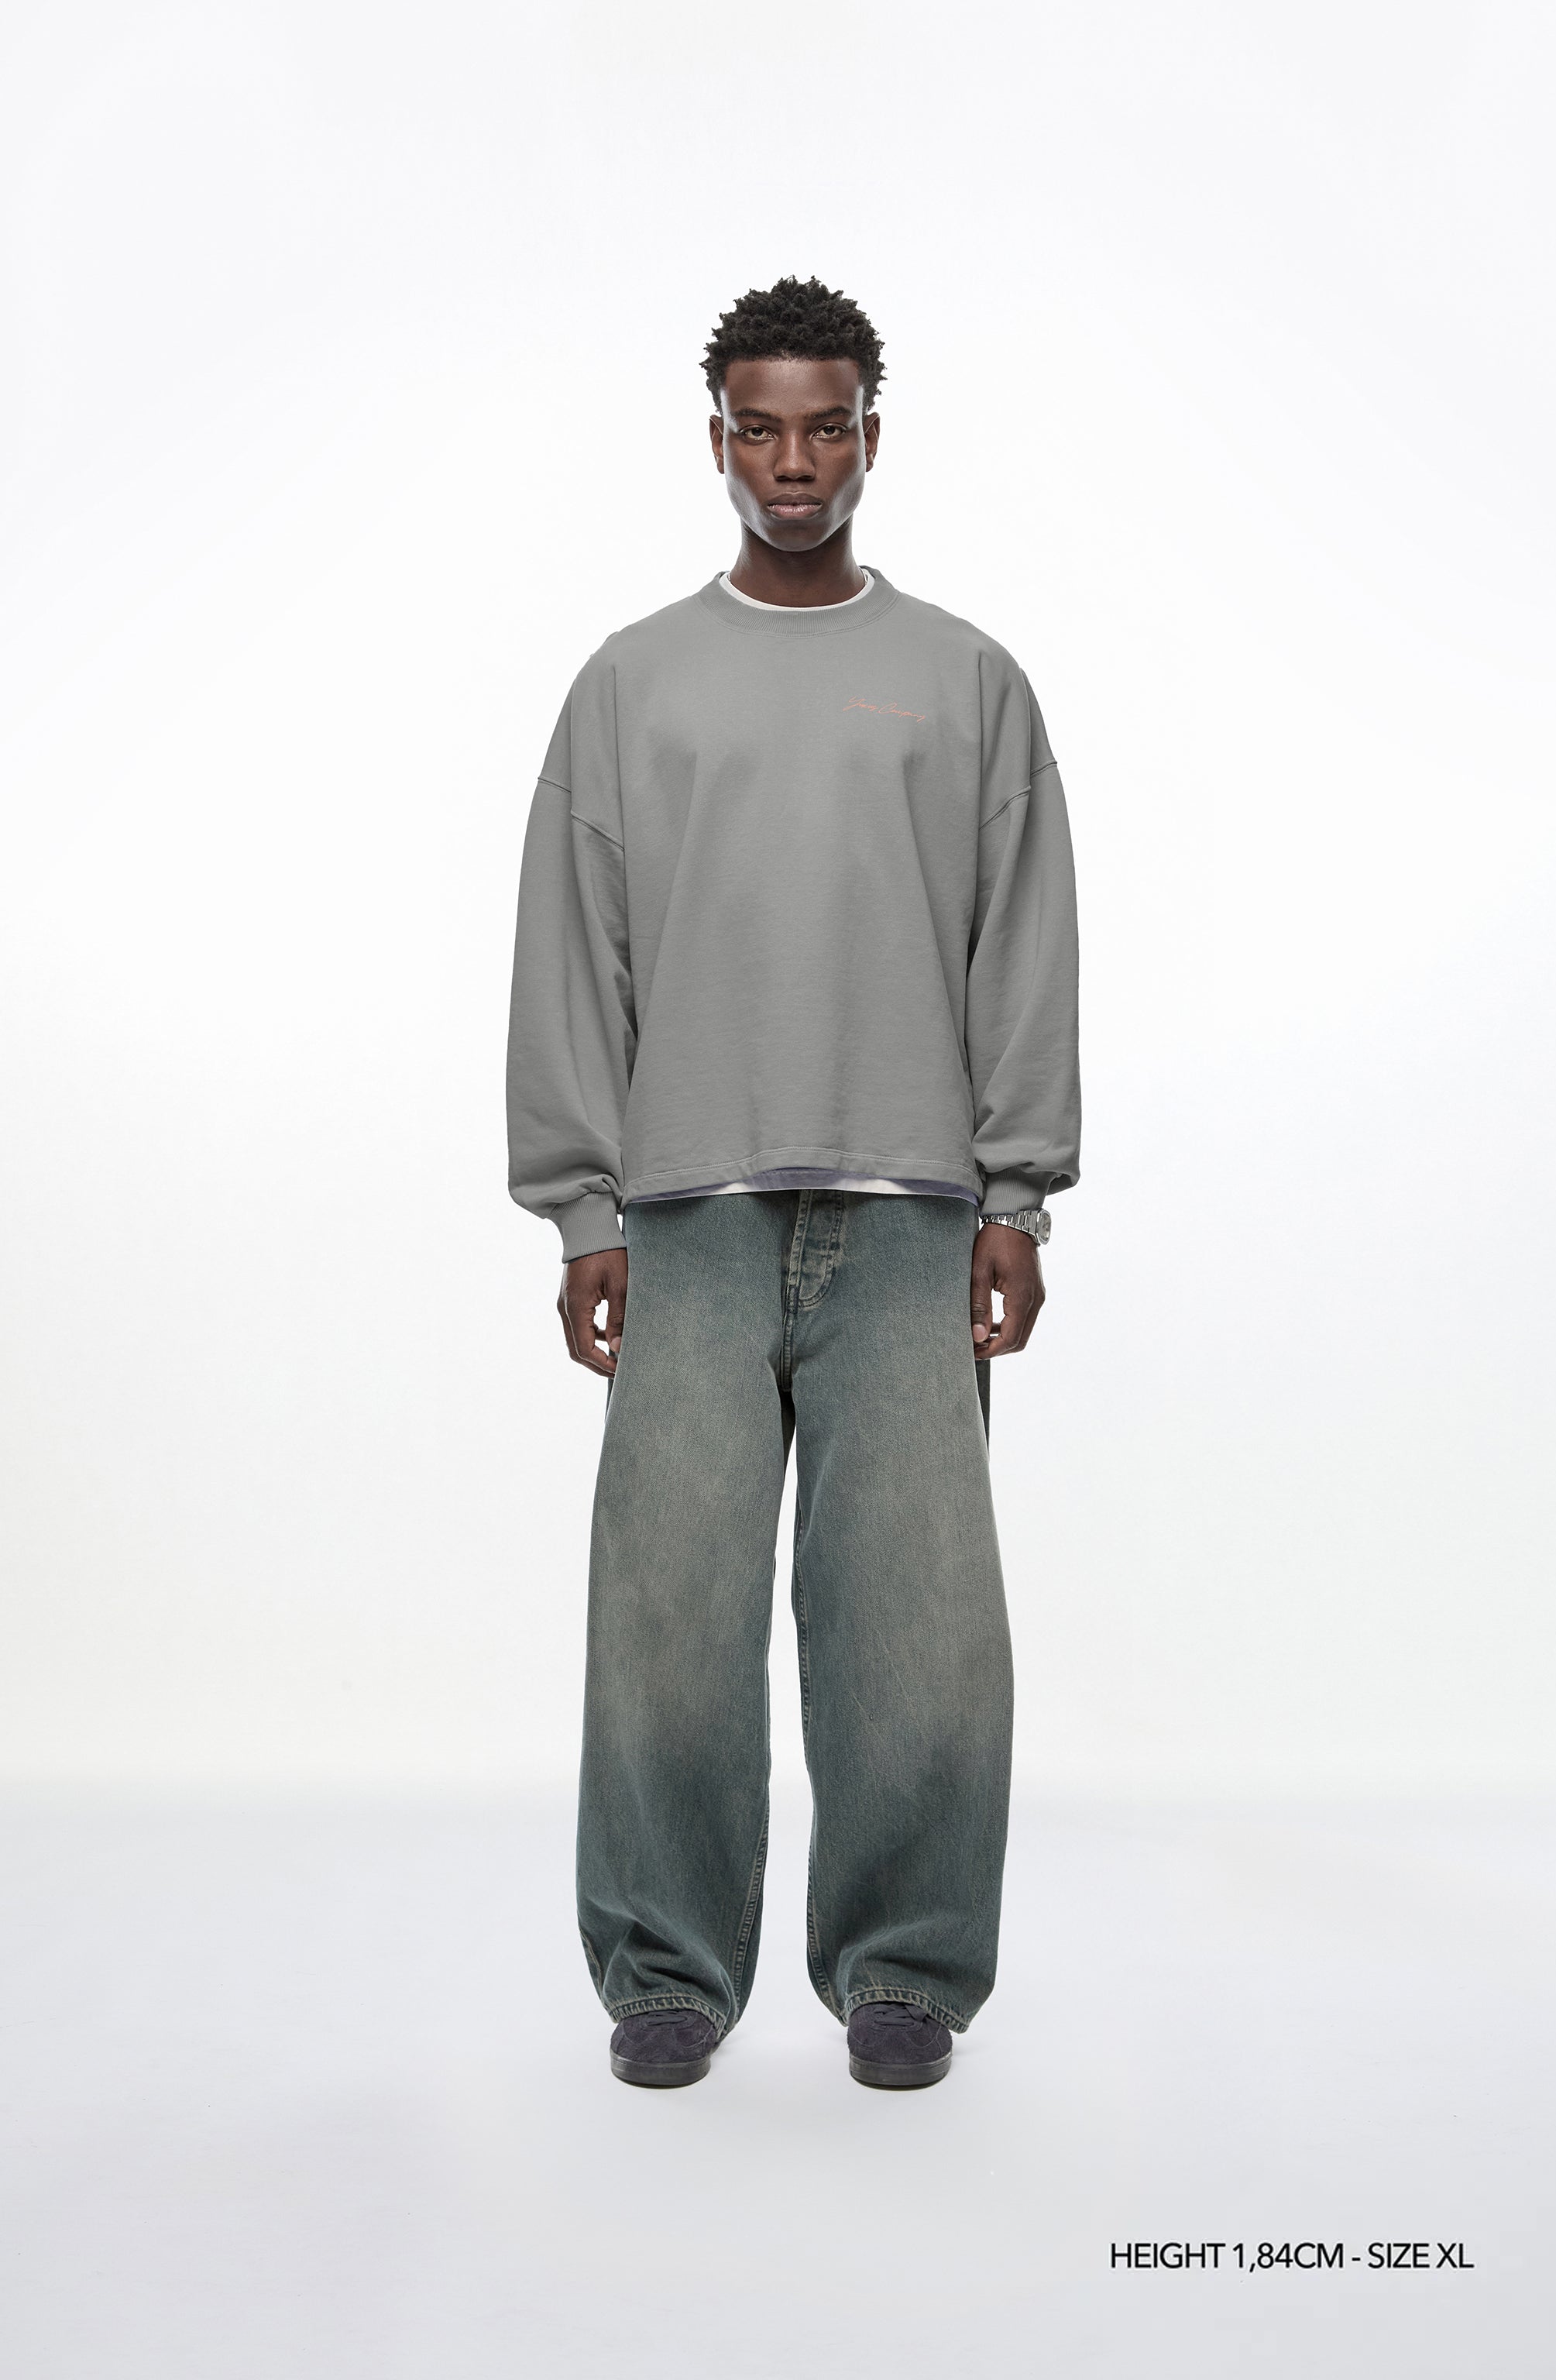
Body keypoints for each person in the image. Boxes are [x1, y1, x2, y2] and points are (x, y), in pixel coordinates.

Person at [506, 277, 1080, 2091]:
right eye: (759, 429)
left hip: (913, 1213)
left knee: (917, 1625)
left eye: (825, 427)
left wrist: (1017, 1196)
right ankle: (666, 1975)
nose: (794, 462)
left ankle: (904, 1971)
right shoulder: (632, 683)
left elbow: (1022, 947)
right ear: (717, 441)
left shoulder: (967, 681)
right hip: (684, 1210)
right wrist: (581, 1208)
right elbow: (573, 950)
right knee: (665, 1618)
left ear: (870, 436)